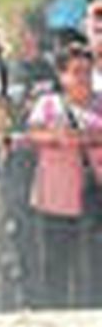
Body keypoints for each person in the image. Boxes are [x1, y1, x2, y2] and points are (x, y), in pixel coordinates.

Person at [22, 42, 102, 308]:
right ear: (62, 75)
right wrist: (56, 137)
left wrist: (83, 137)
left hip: (95, 198)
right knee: (56, 261)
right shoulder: (48, 104)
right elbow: (32, 134)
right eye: (77, 71)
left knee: (94, 262)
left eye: (88, 72)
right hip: (55, 199)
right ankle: (55, 314)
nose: (84, 78)